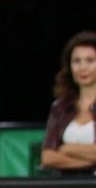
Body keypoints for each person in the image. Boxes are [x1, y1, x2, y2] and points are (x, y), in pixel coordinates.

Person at [40, 31, 96, 175]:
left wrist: (67, 148)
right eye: (76, 61)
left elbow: (58, 151)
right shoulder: (60, 107)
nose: (82, 67)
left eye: (90, 60)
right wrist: (90, 161)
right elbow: (47, 157)